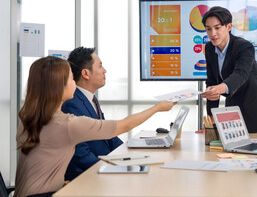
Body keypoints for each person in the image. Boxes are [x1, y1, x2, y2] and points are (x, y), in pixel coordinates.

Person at [14, 56, 174, 197]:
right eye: (71, 79)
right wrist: (157, 108)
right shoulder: (66, 124)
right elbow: (124, 125)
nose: (74, 83)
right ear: (59, 86)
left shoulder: (29, 117)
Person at [201, 6, 257, 132]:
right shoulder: (209, 48)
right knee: (232, 147)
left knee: (254, 149)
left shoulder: (244, 47)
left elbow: (240, 74)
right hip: (233, 108)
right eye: (208, 29)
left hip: (256, 107)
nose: (212, 34)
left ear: (228, 27)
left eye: (217, 28)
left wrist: (219, 89)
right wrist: (210, 122)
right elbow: (212, 82)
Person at [61, 47, 120, 180]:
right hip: (84, 177)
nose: (105, 70)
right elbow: (80, 153)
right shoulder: (71, 103)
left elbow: (108, 135)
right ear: (86, 73)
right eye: (100, 66)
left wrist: (130, 153)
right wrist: (110, 170)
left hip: (100, 169)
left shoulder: (90, 99)